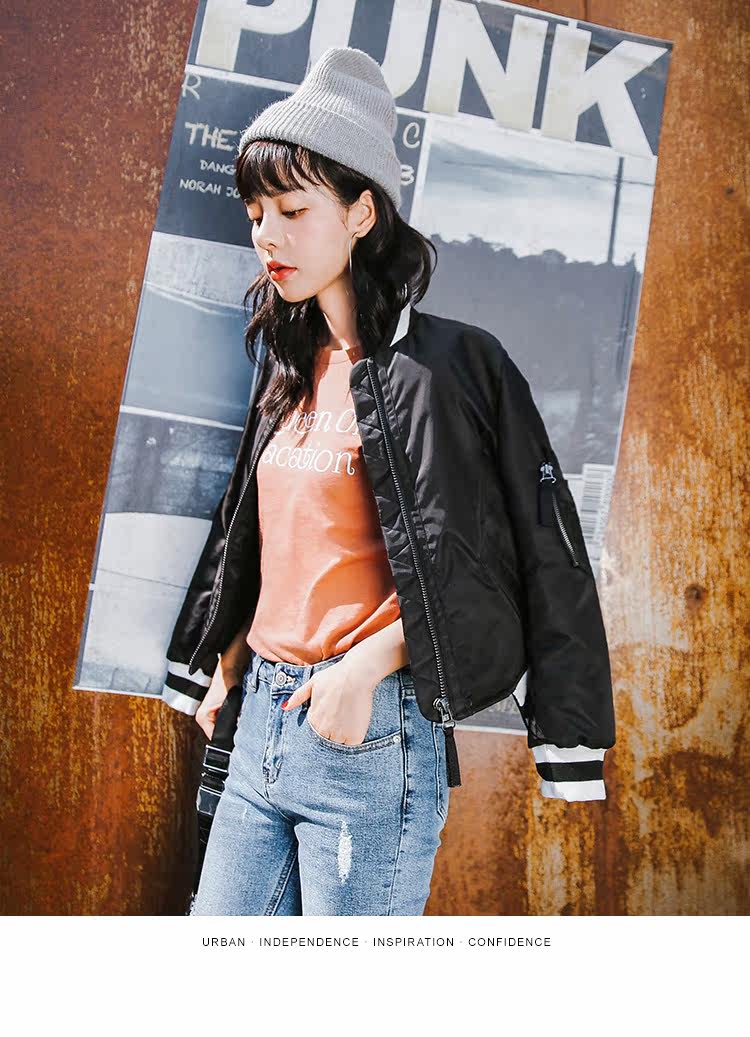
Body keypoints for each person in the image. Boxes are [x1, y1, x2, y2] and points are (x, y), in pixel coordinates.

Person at [162, 46, 616, 916]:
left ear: (362, 212)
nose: (266, 236)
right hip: (259, 720)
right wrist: (228, 656)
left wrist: (366, 666)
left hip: (368, 728)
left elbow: (507, 562)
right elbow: (258, 537)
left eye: (293, 209)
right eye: (256, 213)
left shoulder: (449, 368)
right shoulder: (287, 368)